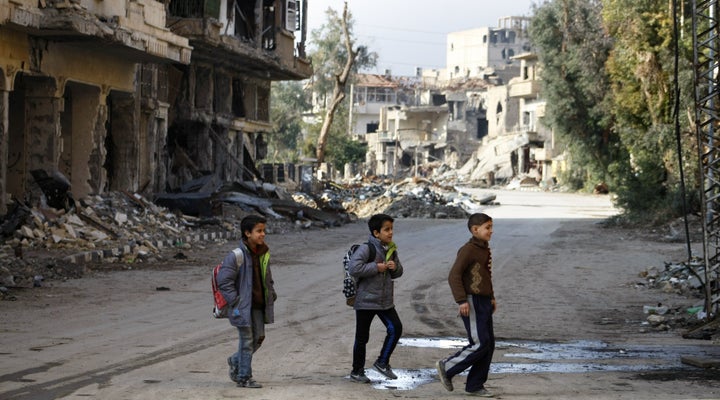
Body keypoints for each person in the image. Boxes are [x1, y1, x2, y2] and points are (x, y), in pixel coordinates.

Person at [436, 212, 496, 397]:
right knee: (479, 343)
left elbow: (486, 276)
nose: (491, 231)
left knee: (489, 344)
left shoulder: (484, 248)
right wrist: (461, 300)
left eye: (491, 227)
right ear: (475, 229)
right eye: (487, 227)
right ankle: (447, 367)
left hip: (484, 301)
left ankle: (475, 385)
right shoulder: (468, 250)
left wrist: (491, 297)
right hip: (472, 301)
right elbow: (454, 275)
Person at [217, 215, 276, 388]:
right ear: (247, 233)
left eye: (263, 230)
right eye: (259, 231)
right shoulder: (236, 256)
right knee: (247, 340)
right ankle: (244, 377)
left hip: (258, 305)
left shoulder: (263, 253)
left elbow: (267, 278)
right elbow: (224, 281)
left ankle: (236, 360)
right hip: (242, 306)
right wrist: (235, 300)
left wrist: (271, 294)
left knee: (258, 338)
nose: (263, 234)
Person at [348, 213, 404, 383]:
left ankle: (382, 362)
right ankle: (357, 371)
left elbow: (399, 272)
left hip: (384, 302)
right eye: (386, 230)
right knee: (362, 338)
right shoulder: (367, 249)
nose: (390, 233)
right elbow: (354, 268)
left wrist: (395, 268)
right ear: (376, 233)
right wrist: (376, 267)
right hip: (365, 302)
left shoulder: (391, 249)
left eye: (391, 229)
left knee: (396, 328)